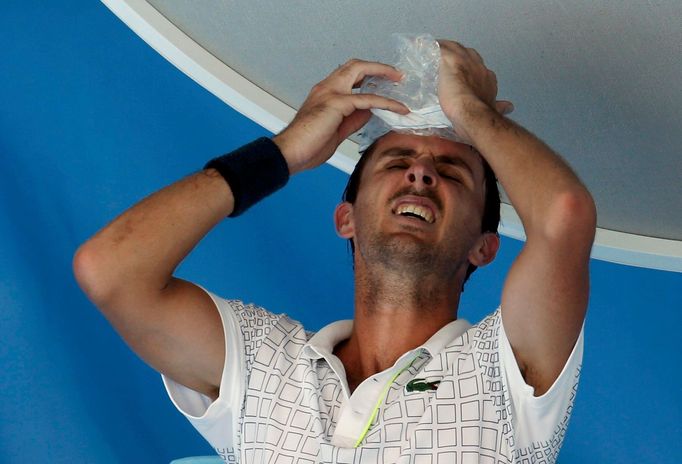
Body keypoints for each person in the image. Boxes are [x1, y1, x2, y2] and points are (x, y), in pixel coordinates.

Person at [74, 40, 596, 463]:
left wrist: (471, 113)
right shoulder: (265, 366)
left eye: (452, 172)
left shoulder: (505, 371)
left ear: (484, 248)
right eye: (396, 162)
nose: (420, 172)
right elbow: (112, 271)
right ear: (346, 218)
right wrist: (284, 151)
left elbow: (563, 217)